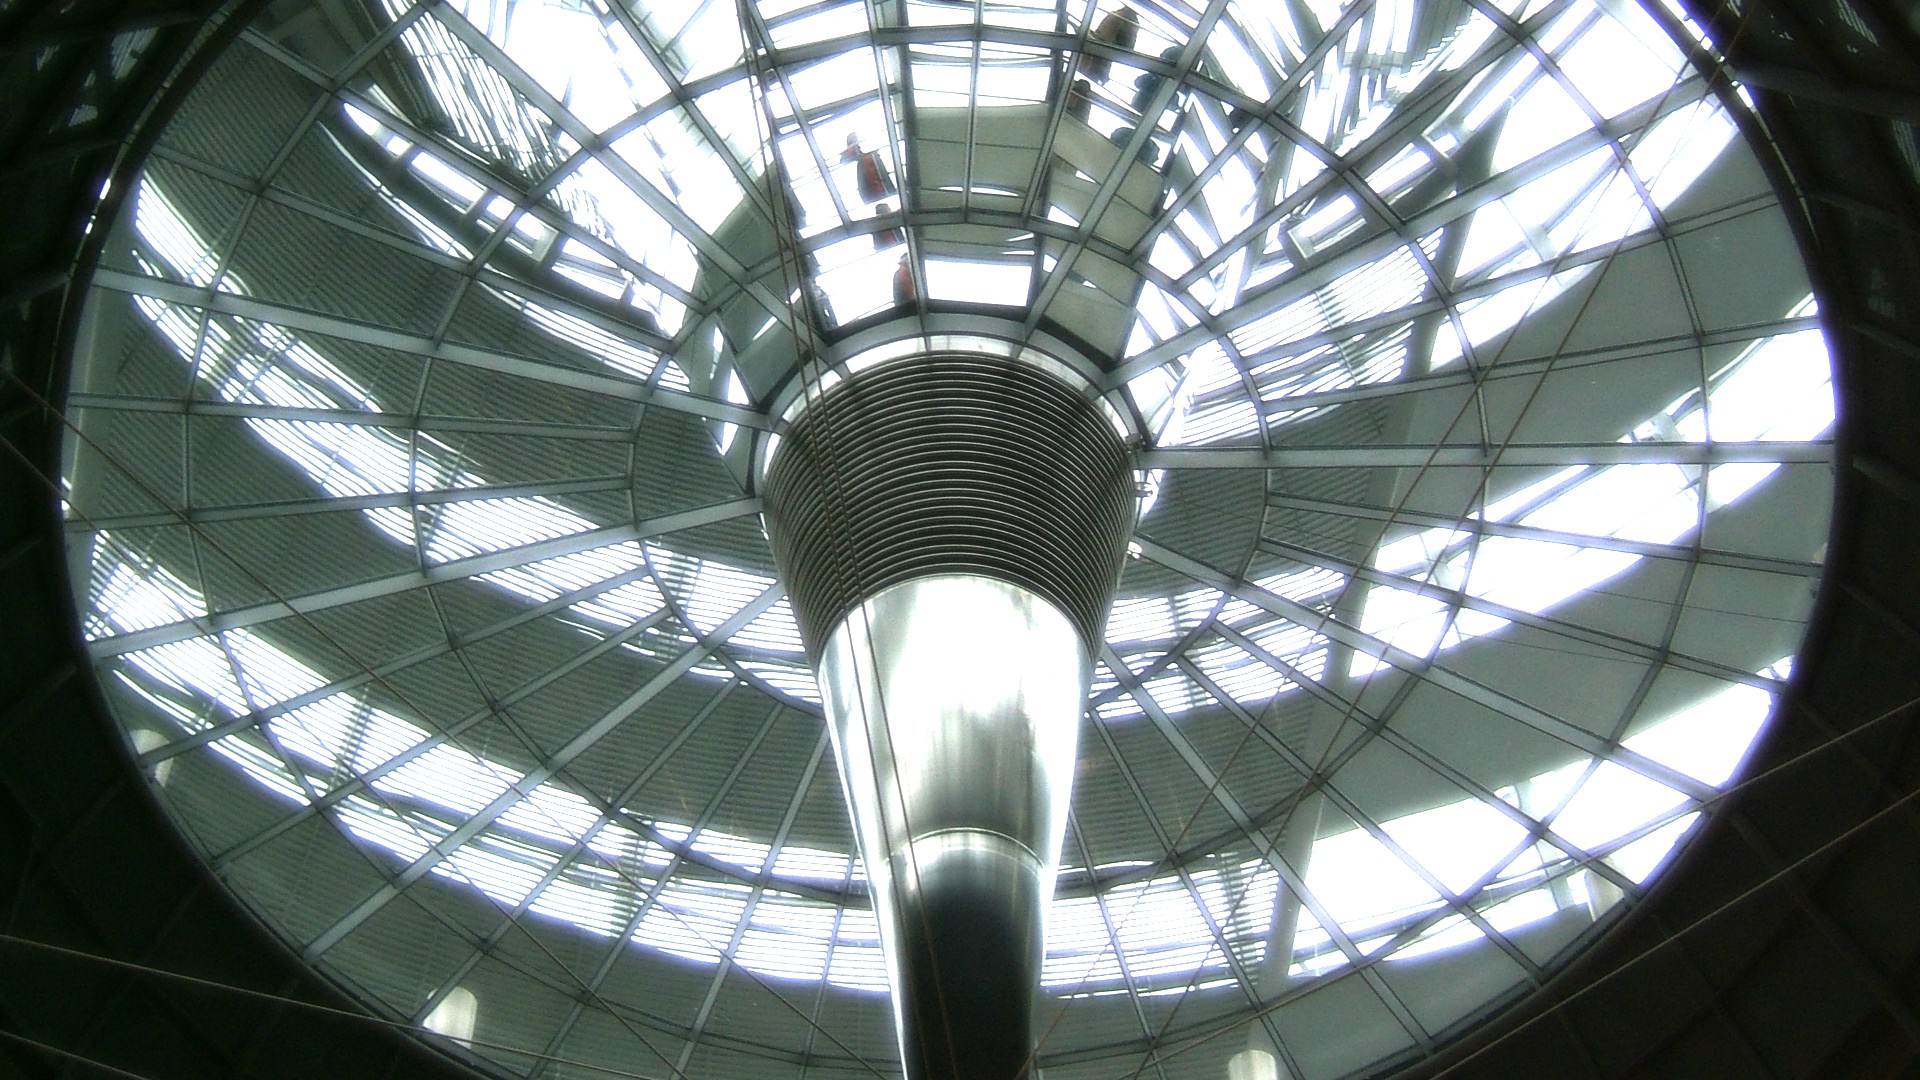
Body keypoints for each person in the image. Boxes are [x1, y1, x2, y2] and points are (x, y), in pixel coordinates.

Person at [841, 133, 897, 204]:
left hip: (877, 178)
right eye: (853, 140)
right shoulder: (852, 155)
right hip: (870, 181)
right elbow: (844, 160)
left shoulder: (868, 151)